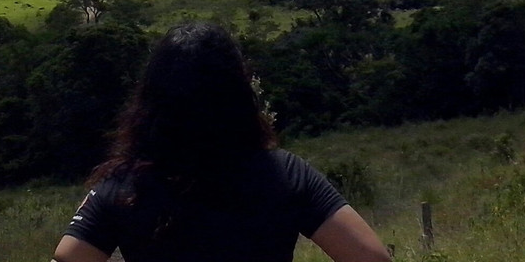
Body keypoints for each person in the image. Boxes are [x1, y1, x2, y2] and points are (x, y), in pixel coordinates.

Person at [51, 21, 390, 262]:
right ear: (239, 94)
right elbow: (370, 257)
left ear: (152, 100)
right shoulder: (285, 174)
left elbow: (69, 256)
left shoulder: (124, 186)